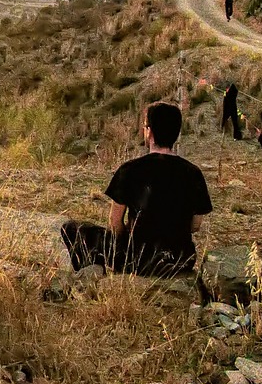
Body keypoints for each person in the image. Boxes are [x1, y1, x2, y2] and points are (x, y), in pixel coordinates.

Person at [61, 102, 213, 276]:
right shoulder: (193, 173)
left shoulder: (130, 170)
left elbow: (114, 222)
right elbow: (195, 226)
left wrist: (127, 237)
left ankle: (93, 273)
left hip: (138, 259)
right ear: (176, 134)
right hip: (179, 259)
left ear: (149, 132)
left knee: (71, 228)